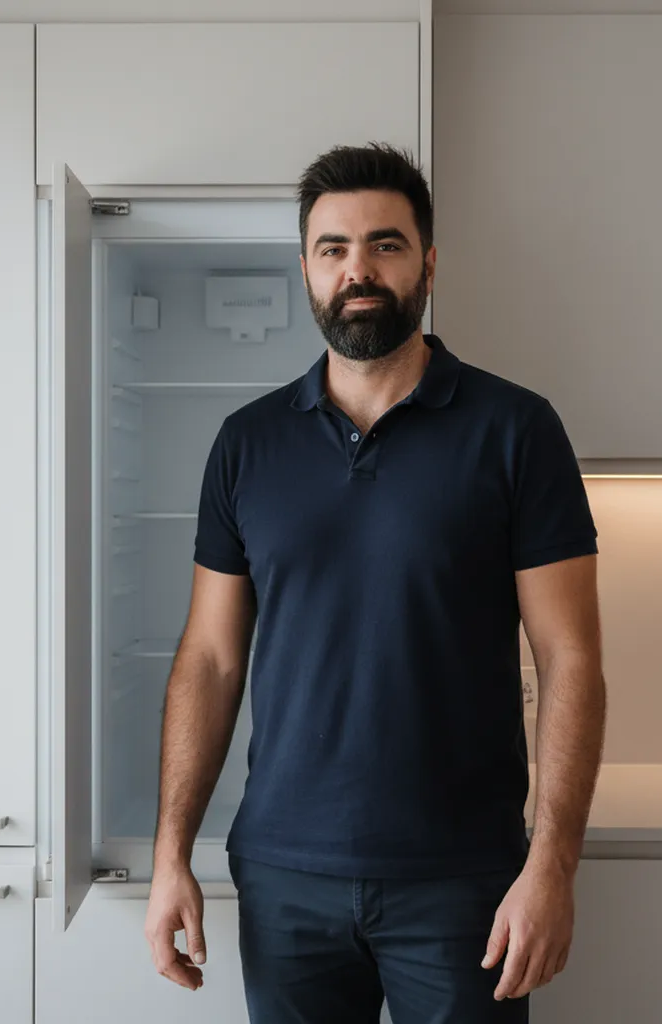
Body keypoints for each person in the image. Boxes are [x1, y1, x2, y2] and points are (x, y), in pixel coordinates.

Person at [143, 142, 607, 1023]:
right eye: (334, 248)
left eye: (385, 245)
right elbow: (209, 659)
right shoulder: (247, 444)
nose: (358, 270)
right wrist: (172, 858)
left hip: (465, 881)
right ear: (307, 271)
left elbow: (570, 658)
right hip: (284, 878)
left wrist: (552, 866)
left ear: (428, 263)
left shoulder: (517, 432)